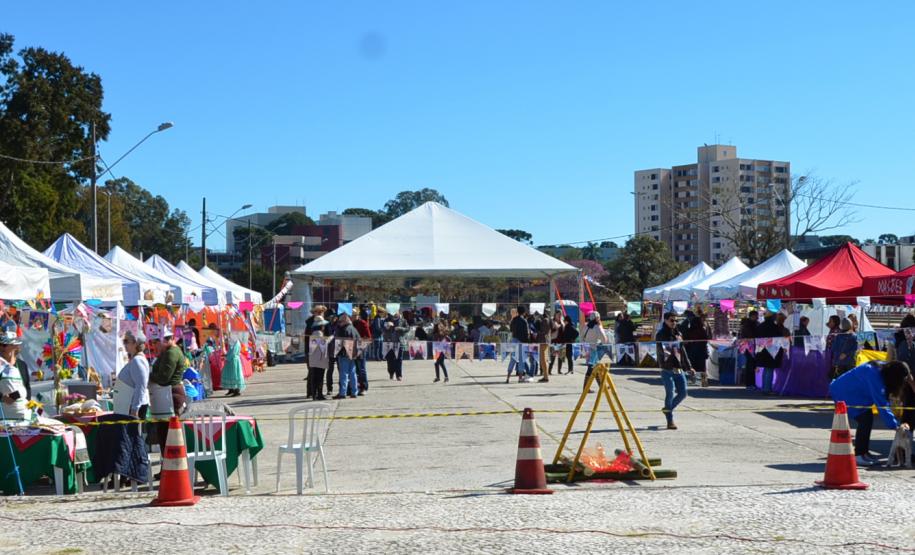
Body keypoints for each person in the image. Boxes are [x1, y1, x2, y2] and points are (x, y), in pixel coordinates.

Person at [829, 360, 912, 466]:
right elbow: (882, 405)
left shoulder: (882, 368)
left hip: (851, 392)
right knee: (865, 419)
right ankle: (859, 455)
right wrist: (895, 425)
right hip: (843, 393)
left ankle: (864, 452)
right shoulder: (874, 376)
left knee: (867, 418)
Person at [149, 327, 188, 453]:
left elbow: (164, 378)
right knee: (165, 435)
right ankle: (167, 469)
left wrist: (148, 375)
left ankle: (172, 469)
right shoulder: (168, 352)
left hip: (171, 396)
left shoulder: (172, 353)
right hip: (168, 395)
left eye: (157, 342)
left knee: (169, 435)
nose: (155, 345)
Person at [656, 312, 691, 430]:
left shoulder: (678, 333)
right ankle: (670, 420)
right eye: (671, 320)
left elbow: (683, 351)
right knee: (670, 392)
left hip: (678, 368)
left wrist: (689, 366)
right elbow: (661, 350)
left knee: (683, 393)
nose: (674, 323)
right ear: (665, 320)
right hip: (667, 368)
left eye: (676, 321)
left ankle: (667, 410)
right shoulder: (661, 334)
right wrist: (673, 341)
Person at [115, 331, 151, 418]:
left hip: (133, 407)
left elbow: (141, 386)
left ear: (135, 343)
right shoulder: (136, 359)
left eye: (126, 341)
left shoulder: (138, 360)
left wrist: (135, 409)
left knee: (133, 431)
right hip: (129, 405)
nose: (124, 344)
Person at [0, 328, 30, 421]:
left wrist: (27, 405)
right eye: (0, 345)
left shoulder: (21, 365)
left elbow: (26, 388)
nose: (1, 348)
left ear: (15, 346)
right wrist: (2, 397)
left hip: (21, 415)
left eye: (5, 345)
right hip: (2, 416)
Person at [755, 311, 787, 394]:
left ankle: (764, 388)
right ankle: (767, 389)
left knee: (766, 369)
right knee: (769, 369)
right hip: (772, 350)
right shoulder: (774, 326)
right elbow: (779, 337)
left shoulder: (760, 326)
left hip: (762, 349)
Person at [333, 313, 361, 399]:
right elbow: (359, 340)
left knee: (343, 374)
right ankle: (354, 392)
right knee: (353, 373)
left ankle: (343, 393)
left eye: (340, 321)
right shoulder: (354, 329)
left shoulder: (343, 329)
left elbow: (338, 343)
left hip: (344, 354)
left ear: (344, 321)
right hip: (352, 354)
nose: (339, 323)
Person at [581, 311, 608, 387]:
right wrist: (601, 327)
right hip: (595, 350)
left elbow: (582, 337)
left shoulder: (586, 327)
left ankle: (601, 385)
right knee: (592, 368)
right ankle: (586, 387)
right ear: (597, 318)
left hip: (587, 349)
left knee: (594, 368)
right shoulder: (597, 327)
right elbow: (604, 339)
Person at [683, 314, 710, 387]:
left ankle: (693, 381)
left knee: (692, 367)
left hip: (692, 351)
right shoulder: (702, 330)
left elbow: (686, 341)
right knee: (702, 368)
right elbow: (706, 339)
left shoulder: (690, 330)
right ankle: (703, 383)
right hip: (701, 351)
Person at [506, 306, 530, 383]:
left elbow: (511, 329)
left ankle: (508, 378)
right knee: (521, 360)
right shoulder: (524, 321)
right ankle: (520, 378)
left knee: (512, 359)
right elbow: (526, 333)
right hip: (521, 341)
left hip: (513, 340)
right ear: (523, 312)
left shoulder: (513, 320)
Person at [352, 310, 372, 395]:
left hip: (361, 348)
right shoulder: (350, 324)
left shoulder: (363, 323)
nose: (353, 317)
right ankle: (355, 386)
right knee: (354, 369)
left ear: (358, 315)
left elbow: (368, 337)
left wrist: (360, 343)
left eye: (355, 315)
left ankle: (364, 387)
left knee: (361, 369)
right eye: (352, 315)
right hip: (352, 348)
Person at [739, 310, 759, 389]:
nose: (757, 318)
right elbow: (750, 334)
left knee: (753, 365)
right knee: (750, 365)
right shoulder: (747, 325)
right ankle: (749, 383)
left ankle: (753, 383)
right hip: (749, 347)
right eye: (756, 316)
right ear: (752, 316)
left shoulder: (755, 324)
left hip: (754, 346)